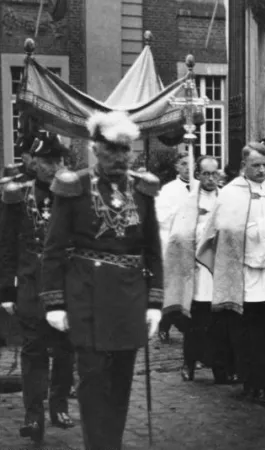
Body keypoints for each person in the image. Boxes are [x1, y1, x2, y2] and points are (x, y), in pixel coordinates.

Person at [39, 111, 163, 450]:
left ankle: (114, 443)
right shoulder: (73, 186)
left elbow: (153, 250)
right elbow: (53, 249)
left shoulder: (142, 188)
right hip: (87, 300)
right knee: (94, 384)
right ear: (96, 148)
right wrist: (55, 302)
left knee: (121, 383)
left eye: (125, 149)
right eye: (112, 149)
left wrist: (155, 302)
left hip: (129, 301)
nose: (120, 157)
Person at [197, 142, 265, 407]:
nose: (262, 170)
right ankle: (254, 383)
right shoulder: (232, 193)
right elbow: (226, 233)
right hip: (248, 273)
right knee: (252, 332)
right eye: (256, 165)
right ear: (244, 165)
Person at [0, 133, 75, 443]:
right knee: (33, 351)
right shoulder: (18, 195)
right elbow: (6, 246)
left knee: (65, 348)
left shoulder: (72, 194)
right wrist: (6, 291)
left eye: (58, 161)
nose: (53, 167)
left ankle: (58, 405)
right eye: (47, 162)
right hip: (31, 286)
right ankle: (33, 415)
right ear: (34, 163)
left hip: (67, 286)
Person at [162, 155, 239, 384]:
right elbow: (180, 234)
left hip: (219, 268)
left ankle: (220, 368)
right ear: (198, 175)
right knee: (197, 323)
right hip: (198, 271)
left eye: (215, 173)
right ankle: (189, 363)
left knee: (219, 324)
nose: (211, 178)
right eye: (206, 173)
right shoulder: (190, 201)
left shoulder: (225, 198)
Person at [155, 150, 190, 342]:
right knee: (173, 288)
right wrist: (182, 208)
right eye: (183, 164)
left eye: (190, 163)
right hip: (173, 244)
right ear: (176, 167)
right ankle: (165, 323)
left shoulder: (202, 187)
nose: (187, 167)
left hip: (195, 245)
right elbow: (160, 218)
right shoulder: (168, 190)